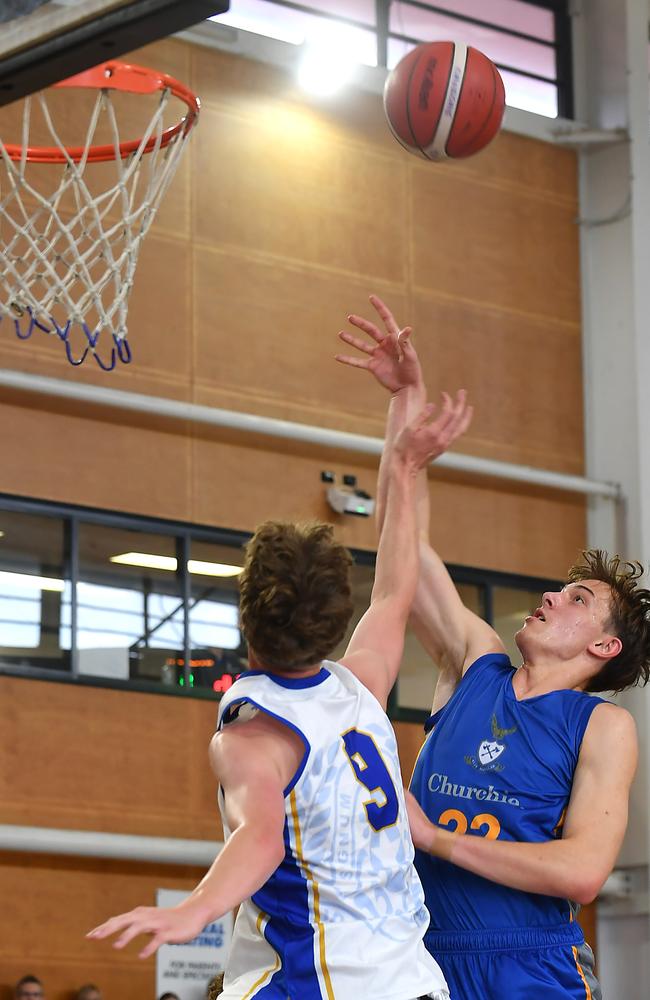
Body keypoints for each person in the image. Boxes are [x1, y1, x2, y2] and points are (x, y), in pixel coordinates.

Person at [87, 391, 473, 999]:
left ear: (245, 618)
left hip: (317, 981)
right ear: (336, 620)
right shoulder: (362, 686)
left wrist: (194, 910)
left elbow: (260, 839)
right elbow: (395, 591)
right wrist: (404, 455)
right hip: (412, 980)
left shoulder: (251, 737)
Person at [336, 294, 649, 1000]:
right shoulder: (474, 659)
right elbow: (401, 553)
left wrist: (432, 837)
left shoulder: (603, 726)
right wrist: (403, 408)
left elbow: (581, 873)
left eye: (578, 600)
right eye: (560, 588)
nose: (551, 596)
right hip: (417, 956)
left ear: (604, 645)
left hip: (527, 963)